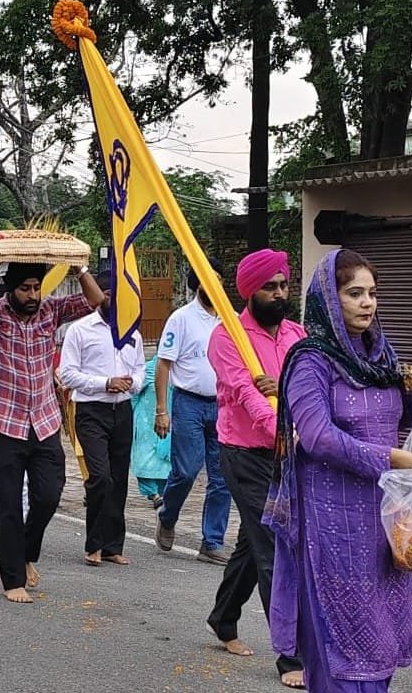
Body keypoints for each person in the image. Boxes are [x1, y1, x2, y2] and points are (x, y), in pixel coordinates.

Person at [266, 249, 412, 692]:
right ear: (330, 301)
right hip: (331, 523)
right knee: (340, 645)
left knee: (383, 636)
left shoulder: (382, 355)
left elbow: (396, 420)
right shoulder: (310, 359)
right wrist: (390, 458)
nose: (367, 303)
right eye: (354, 293)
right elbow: (316, 437)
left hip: (384, 519)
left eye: (372, 293)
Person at [0, 249, 104, 603]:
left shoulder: (51, 311)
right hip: (2, 423)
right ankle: (12, 579)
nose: (32, 295)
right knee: (9, 503)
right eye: (25, 288)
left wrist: (79, 266)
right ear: (11, 288)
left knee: (48, 496)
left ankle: (26, 551)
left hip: (43, 421)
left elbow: (96, 300)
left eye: (36, 287)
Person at [203, 249, 306, 688]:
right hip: (246, 453)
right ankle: (291, 655)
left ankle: (223, 618)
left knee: (251, 543)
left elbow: (309, 385)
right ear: (249, 292)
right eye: (270, 286)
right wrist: (282, 428)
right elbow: (245, 392)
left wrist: (282, 388)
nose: (279, 293)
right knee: (275, 549)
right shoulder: (227, 338)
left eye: (283, 285)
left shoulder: (298, 335)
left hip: (290, 453)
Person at [58, 271, 145, 567]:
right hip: (91, 410)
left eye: (117, 294)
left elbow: (141, 370)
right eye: (107, 293)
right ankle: (93, 543)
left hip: (122, 410)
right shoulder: (80, 330)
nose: (112, 299)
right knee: (100, 477)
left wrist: (131, 383)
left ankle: (112, 545)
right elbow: (67, 374)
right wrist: (105, 382)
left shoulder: (132, 332)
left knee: (119, 478)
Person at [154, 259, 231, 564]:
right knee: (186, 470)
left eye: (218, 279)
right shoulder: (181, 319)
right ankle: (168, 514)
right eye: (206, 279)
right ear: (196, 283)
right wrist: (162, 409)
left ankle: (212, 541)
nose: (213, 285)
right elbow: (163, 364)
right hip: (188, 403)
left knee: (222, 476)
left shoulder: (232, 320)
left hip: (223, 405)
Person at [130, 355, 170, 503]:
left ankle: (163, 493)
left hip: (168, 421)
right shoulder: (148, 369)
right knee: (143, 458)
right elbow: (134, 393)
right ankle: (153, 494)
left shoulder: (178, 370)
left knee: (165, 460)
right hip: (145, 422)